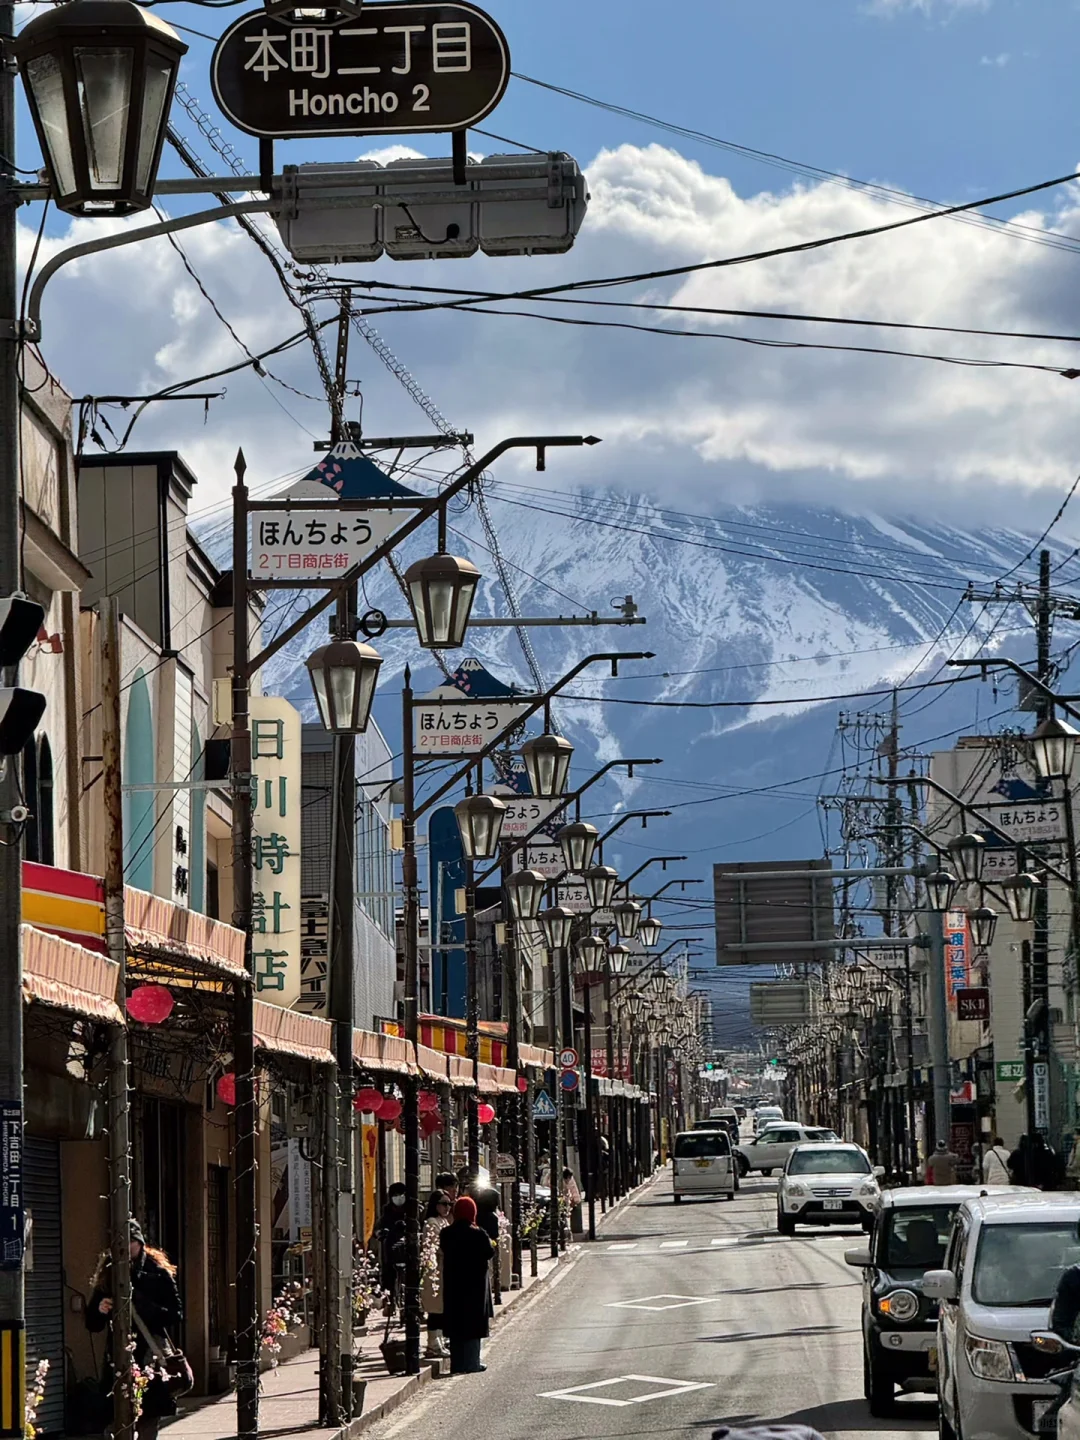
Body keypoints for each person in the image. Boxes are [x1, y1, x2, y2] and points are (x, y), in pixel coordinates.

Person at [86, 1220, 183, 1440]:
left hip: (150, 1356)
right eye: (119, 1243)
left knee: (148, 1421)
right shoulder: (108, 1273)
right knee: (114, 1422)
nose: (125, 1248)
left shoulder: (156, 1272)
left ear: (139, 1242)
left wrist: (142, 1305)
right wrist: (100, 1310)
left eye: (129, 1242)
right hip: (118, 1359)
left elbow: (175, 1314)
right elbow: (92, 1324)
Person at [439, 1196, 495, 1374]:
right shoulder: (478, 1233)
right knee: (473, 1325)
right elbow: (489, 1252)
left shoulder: (446, 1233)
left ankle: (457, 1364)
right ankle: (472, 1363)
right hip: (475, 1287)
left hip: (454, 1285)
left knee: (456, 1325)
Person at [421, 1191, 452, 1358]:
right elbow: (435, 1246)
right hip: (434, 1270)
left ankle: (439, 1340)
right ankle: (433, 1343)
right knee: (435, 1307)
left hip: (443, 1269)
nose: (447, 1207)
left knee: (441, 1308)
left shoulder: (443, 1221)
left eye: (449, 1204)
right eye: (444, 1203)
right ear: (435, 1204)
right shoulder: (432, 1223)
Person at [374, 1182, 408, 1303]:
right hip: (391, 1247)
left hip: (408, 1247)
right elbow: (379, 1226)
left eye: (402, 1194)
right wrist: (381, 1233)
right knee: (388, 1271)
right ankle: (389, 1302)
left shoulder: (413, 1209)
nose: (399, 1198)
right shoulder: (387, 1211)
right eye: (396, 1195)